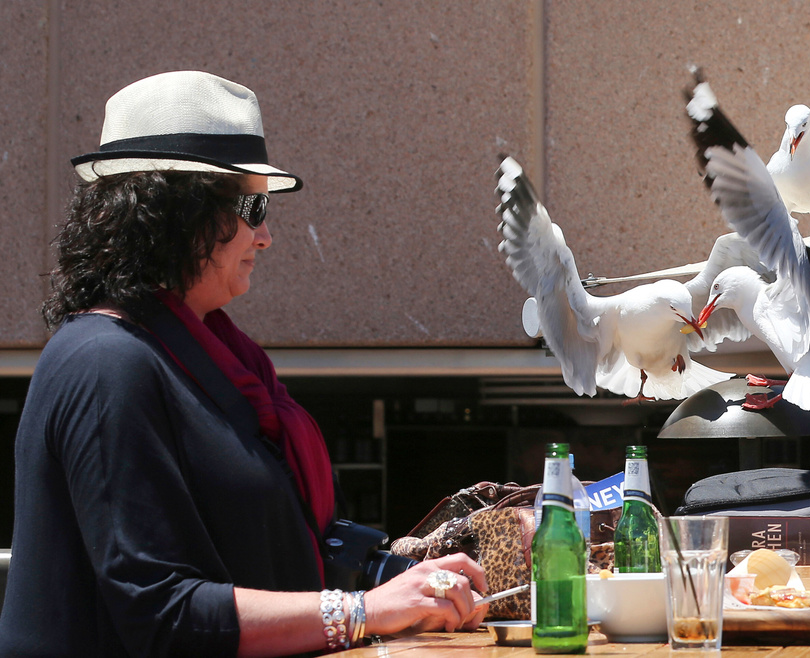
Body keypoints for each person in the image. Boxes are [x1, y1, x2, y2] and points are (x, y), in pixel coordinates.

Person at [0, 71, 487, 657]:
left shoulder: (204, 353)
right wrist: (362, 611)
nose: (265, 236)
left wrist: (398, 568)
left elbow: (266, 539)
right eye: (252, 206)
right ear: (175, 212)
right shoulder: (105, 365)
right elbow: (161, 612)